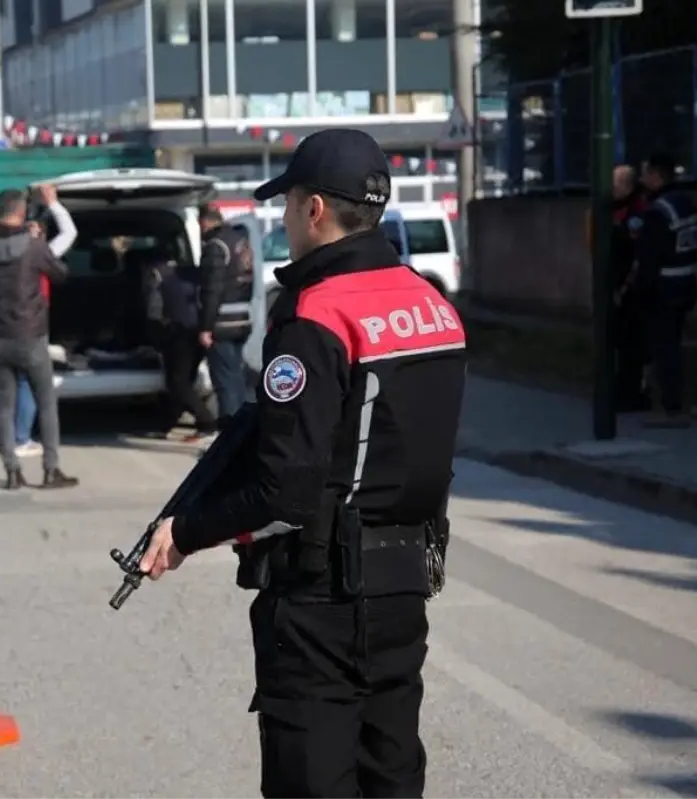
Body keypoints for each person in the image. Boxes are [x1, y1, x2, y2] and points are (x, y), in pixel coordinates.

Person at [139, 129, 467, 798]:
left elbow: (284, 487)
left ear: (313, 209)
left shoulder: (315, 314)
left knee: (311, 781)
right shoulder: (432, 304)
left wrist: (189, 530)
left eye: (287, 205)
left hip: (323, 599)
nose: (285, 221)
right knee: (391, 774)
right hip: (405, 583)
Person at [0, 184, 78, 489]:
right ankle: (51, 469)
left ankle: (12, 470)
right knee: (46, 402)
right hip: (30, 335)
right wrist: (36, 240)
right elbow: (61, 274)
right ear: (22, 212)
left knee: (3, 405)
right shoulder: (33, 246)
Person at [636, 152, 697, 427]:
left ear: (657, 175)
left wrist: (640, 290)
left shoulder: (658, 212)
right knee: (673, 346)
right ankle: (675, 404)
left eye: (645, 172)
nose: (641, 177)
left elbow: (649, 258)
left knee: (664, 350)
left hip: (663, 289)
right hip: (686, 284)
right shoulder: (686, 204)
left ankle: (670, 408)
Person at [144, 243, 217, 442]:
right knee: (184, 380)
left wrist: (156, 337)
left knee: (177, 382)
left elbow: (154, 310)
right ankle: (167, 423)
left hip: (179, 332)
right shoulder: (193, 271)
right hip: (200, 328)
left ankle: (207, 421)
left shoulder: (157, 274)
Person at [198, 204, 255, 427]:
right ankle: (243, 428)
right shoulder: (240, 241)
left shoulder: (216, 246)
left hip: (222, 324)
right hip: (242, 320)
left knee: (224, 381)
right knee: (237, 377)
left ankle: (230, 432)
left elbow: (212, 290)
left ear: (204, 222)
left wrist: (205, 327)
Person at [610, 164, 651, 412]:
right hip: (618, 284)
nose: (611, 190)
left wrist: (626, 285)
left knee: (632, 343)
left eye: (615, 185)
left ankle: (632, 393)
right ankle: (623, 390)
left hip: (631, 287)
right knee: (621, 342)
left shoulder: (637, 210)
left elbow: (637, 252)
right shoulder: (617, 208)